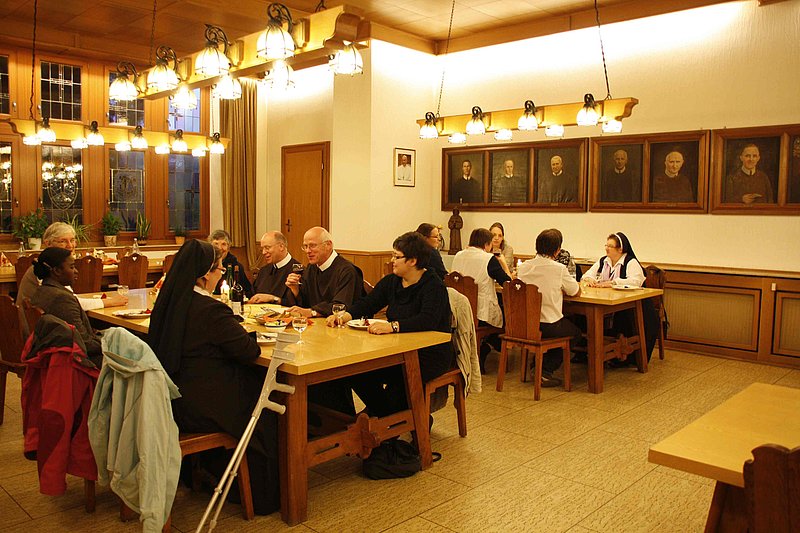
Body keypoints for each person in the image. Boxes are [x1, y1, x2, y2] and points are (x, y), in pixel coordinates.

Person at [147, 239, 279, 514]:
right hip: (201, 406)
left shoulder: (170, 301)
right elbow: (248, 351)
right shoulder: (209, 309)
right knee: (269, 401)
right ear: (205, 274)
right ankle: (261, 494)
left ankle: (210, 470)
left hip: (173, 398)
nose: (221, 274)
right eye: (219, 268)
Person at [327, 232, 453, 416]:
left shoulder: (433, 286)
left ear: (413, 261)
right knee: (355, 371)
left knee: (399, 379)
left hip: (429, 354)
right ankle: (385, 417)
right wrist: (344, 316)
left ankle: (388, 420)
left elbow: (427, 320)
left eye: (397, 256)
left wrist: (393, 326)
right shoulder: (393, 281)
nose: (392, 260)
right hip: (397, 349)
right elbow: (369, 303)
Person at [516, 229, 582, 387]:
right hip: (548, 324)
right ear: (557, 250)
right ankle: (544, 371)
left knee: (561, 329)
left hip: (525, 324)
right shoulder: (558, 269)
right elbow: (575, 291)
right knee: (575, 333)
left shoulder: (524, 267)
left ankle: (536, 366)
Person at [16, 222, 128, 314]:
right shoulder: (44, 268)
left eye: (72, 240)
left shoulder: (56, 265)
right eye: (63, 241)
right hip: (37, 330)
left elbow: (70, 299)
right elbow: (72, 303)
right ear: (47, 243)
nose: (70, 245)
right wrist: (110, 302)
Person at [582, 232, 659, 365]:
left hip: (633, 304)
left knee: (625, 320)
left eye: (610, 246)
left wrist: (613, 282)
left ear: (620, 249)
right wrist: (590, 279)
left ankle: (625, 357)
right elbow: (587, 275)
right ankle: (589, 353)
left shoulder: (630, 262)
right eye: (606, 245)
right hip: (609, 303)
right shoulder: (603, 261)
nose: (606, 249)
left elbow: (636, 281)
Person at [30, 247, 103, 366]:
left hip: (52, 354)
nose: (76, 271)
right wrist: (109, 344)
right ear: (57, 271)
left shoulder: (41, 291)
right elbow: (84, 343)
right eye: (72, 267)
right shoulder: (62, 298)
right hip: (80, 361)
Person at [452, 228, 512, 371]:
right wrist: (503, 263)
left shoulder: (458, 255)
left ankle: (485, 346)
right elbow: (507, 283)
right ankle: (487, 346)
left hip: (458, 311)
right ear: (487, 244)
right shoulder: (488, 259)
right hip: (480, 314)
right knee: (509, 317)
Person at [286, 226, 364, 318]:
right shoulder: (312, 267)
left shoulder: (347, 270)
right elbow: (304, 303)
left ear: (328, 245)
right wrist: (295, 288)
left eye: (312, 246)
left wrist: (312, 312)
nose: (307, 251)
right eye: (305, 246)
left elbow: (340, 307)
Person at [249, 231, 301, 305]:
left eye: (267, 248)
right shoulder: (263, 271)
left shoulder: (298, 269)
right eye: (262, 249)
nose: (263, 252)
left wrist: (272, 298)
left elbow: (299, 303)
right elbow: (252, 295)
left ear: (281, 247)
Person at [209, 229, 254, 298]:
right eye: (216, 244)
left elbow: (247, 291)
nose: (219, 248)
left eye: (223, 244)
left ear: (228, 247)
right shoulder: (205, 265)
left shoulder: (236, 267)